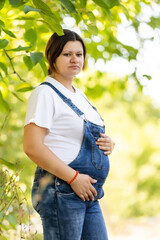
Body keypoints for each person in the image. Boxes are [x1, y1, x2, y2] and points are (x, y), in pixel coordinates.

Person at [23, 29, 115, 240]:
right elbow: (32, 147)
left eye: (79, 54)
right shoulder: (45, 93)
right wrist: (73, 177)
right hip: (62, 189)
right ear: (52, 56)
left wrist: (108, 144)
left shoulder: (79, 95)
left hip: (89, 193)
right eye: (67, 54)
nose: (75, 59)